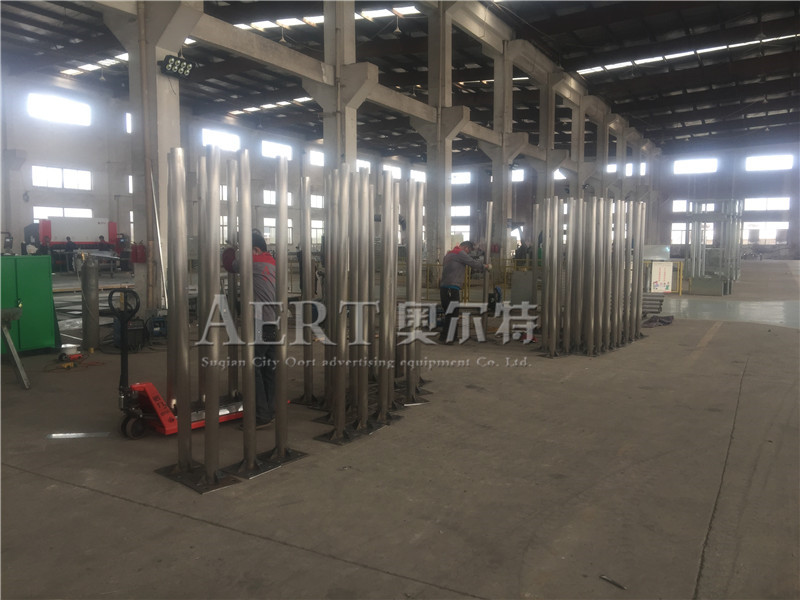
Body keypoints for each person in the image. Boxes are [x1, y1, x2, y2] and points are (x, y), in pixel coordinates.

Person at [222, 231, 276, 429]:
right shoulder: (272, 262)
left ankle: (261, 415)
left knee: (253, 369)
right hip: (274, 322)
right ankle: (270, 411)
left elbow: (230, 264)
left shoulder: (253, 262)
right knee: (269, 369)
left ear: (255, 250)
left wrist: (230, 248)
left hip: (260, 322)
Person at [439, 240, 491, 343]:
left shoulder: (449, 253)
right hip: (451, 287)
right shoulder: (460, 253)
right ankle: (447, 338)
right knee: (452, 314)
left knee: (450, 313)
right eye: (469, 251)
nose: (468, 253)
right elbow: (472, 263)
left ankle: (450, 337)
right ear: (466, 248)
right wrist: (485, 266)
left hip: (445, 287)